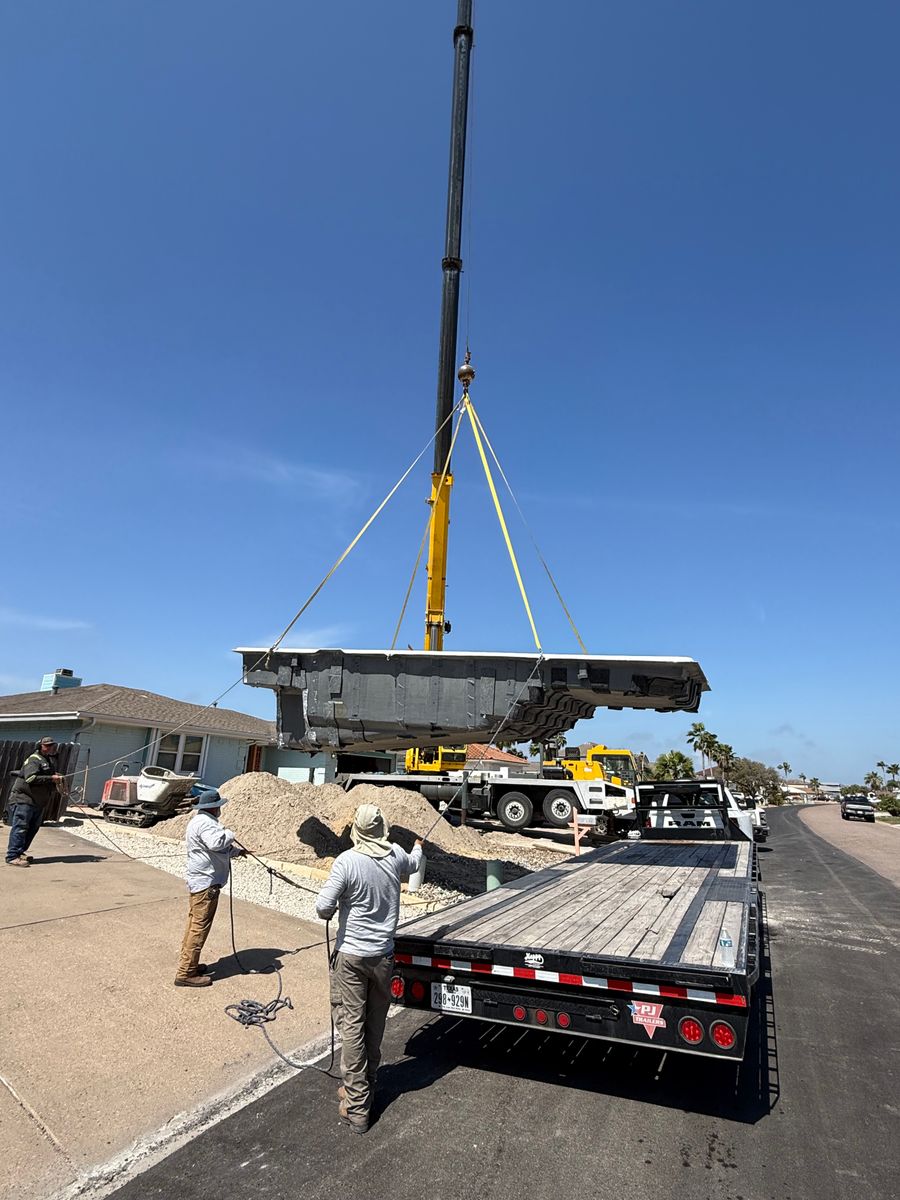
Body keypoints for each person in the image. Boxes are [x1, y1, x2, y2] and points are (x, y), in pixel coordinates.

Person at [316, 803, 424, 1134]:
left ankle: (358, 1106)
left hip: (351, 959)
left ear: (356, 831)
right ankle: (363, 1088)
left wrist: (335, 906)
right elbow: (415, 862)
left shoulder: (347, 862)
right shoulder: (394, 854)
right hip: (383, 957)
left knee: (351, 1028)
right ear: (383, 829)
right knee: (374, 1026)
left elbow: (322, 908)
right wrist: (419, 845)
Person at [175, 788, 244, 988]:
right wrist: (230, 833)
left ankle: (190, 964)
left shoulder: (200, 822)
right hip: (206, 883)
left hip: (201, 880)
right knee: (199, 927)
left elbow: (218, 849)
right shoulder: (206, 824)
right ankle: (186, 972)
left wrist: (237, 852)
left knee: (194, 923)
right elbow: (216, 843)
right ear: (214, 807)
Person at [5, 737, 63, 867]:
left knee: (32, 828)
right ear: (40, 746)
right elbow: (31, 778)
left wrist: (55, 777)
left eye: (51, 745)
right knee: (21, 827)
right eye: (46, 746)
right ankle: (12, 856)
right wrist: (51, 778)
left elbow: (47, 775)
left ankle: (20, 852)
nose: (49, 748)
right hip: (24, 799)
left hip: (37, 802)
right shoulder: (34, 759)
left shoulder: (47, 761)